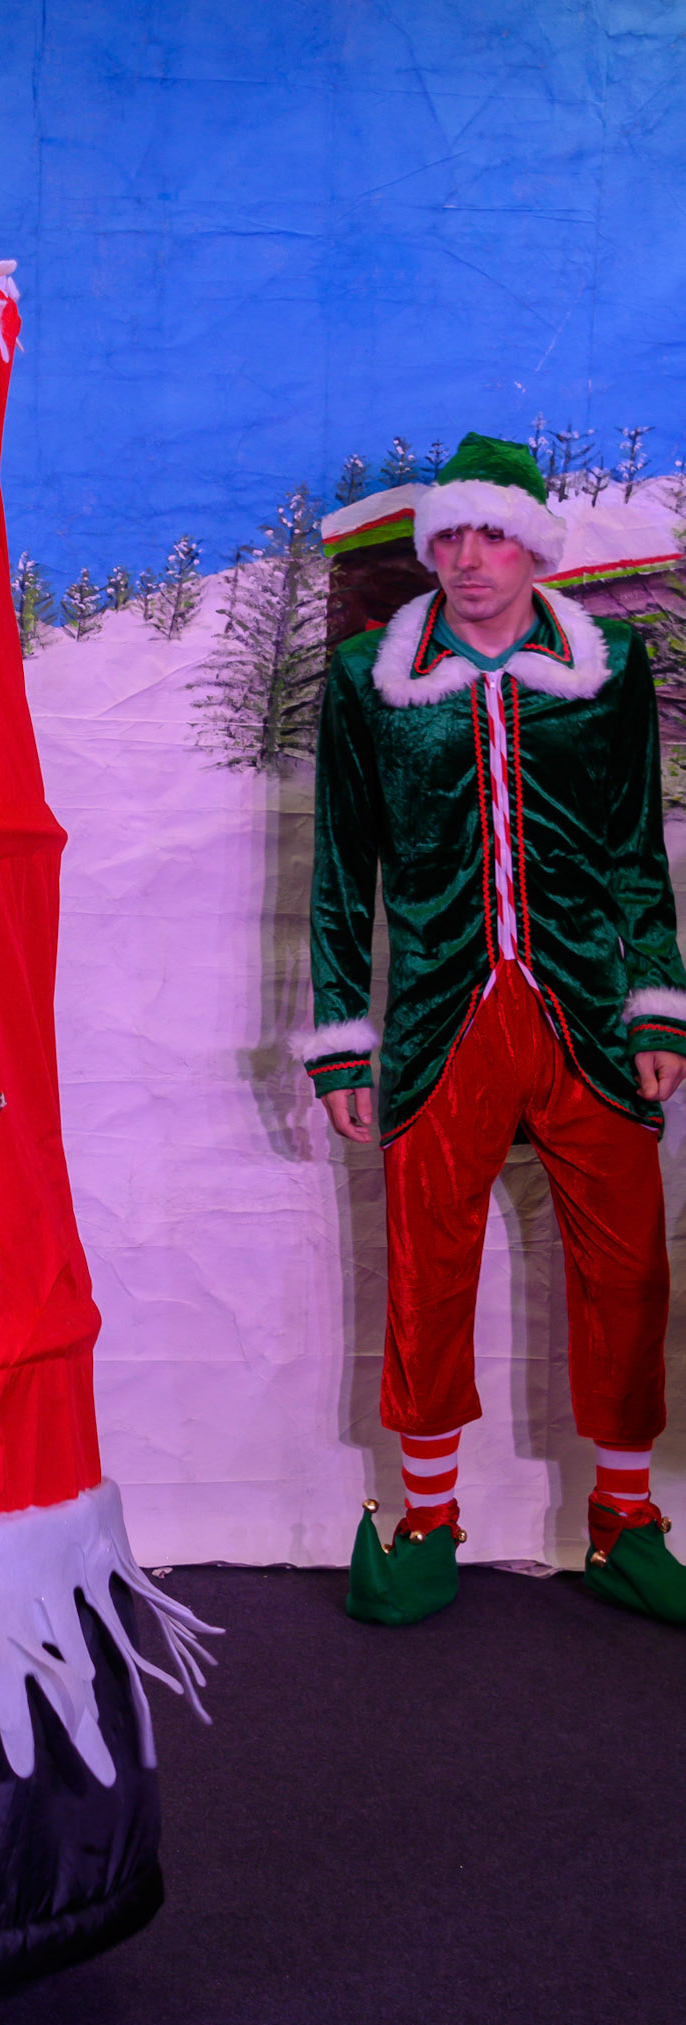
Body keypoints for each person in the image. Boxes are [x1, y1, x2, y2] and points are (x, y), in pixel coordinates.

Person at [299, 431, 686, 1625]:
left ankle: (625, 1520)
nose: (469, 559)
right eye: (451, 537)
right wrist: (342, 1037)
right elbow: (340, 868)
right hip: (438, 1016)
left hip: (585, 1010)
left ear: (535, 549)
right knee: (427, 1269)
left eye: (494, 536)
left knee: (629, 1267)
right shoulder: (371, 676)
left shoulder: (606, 664)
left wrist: (658, 1000)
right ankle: (428, 1521)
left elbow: (636, 845)